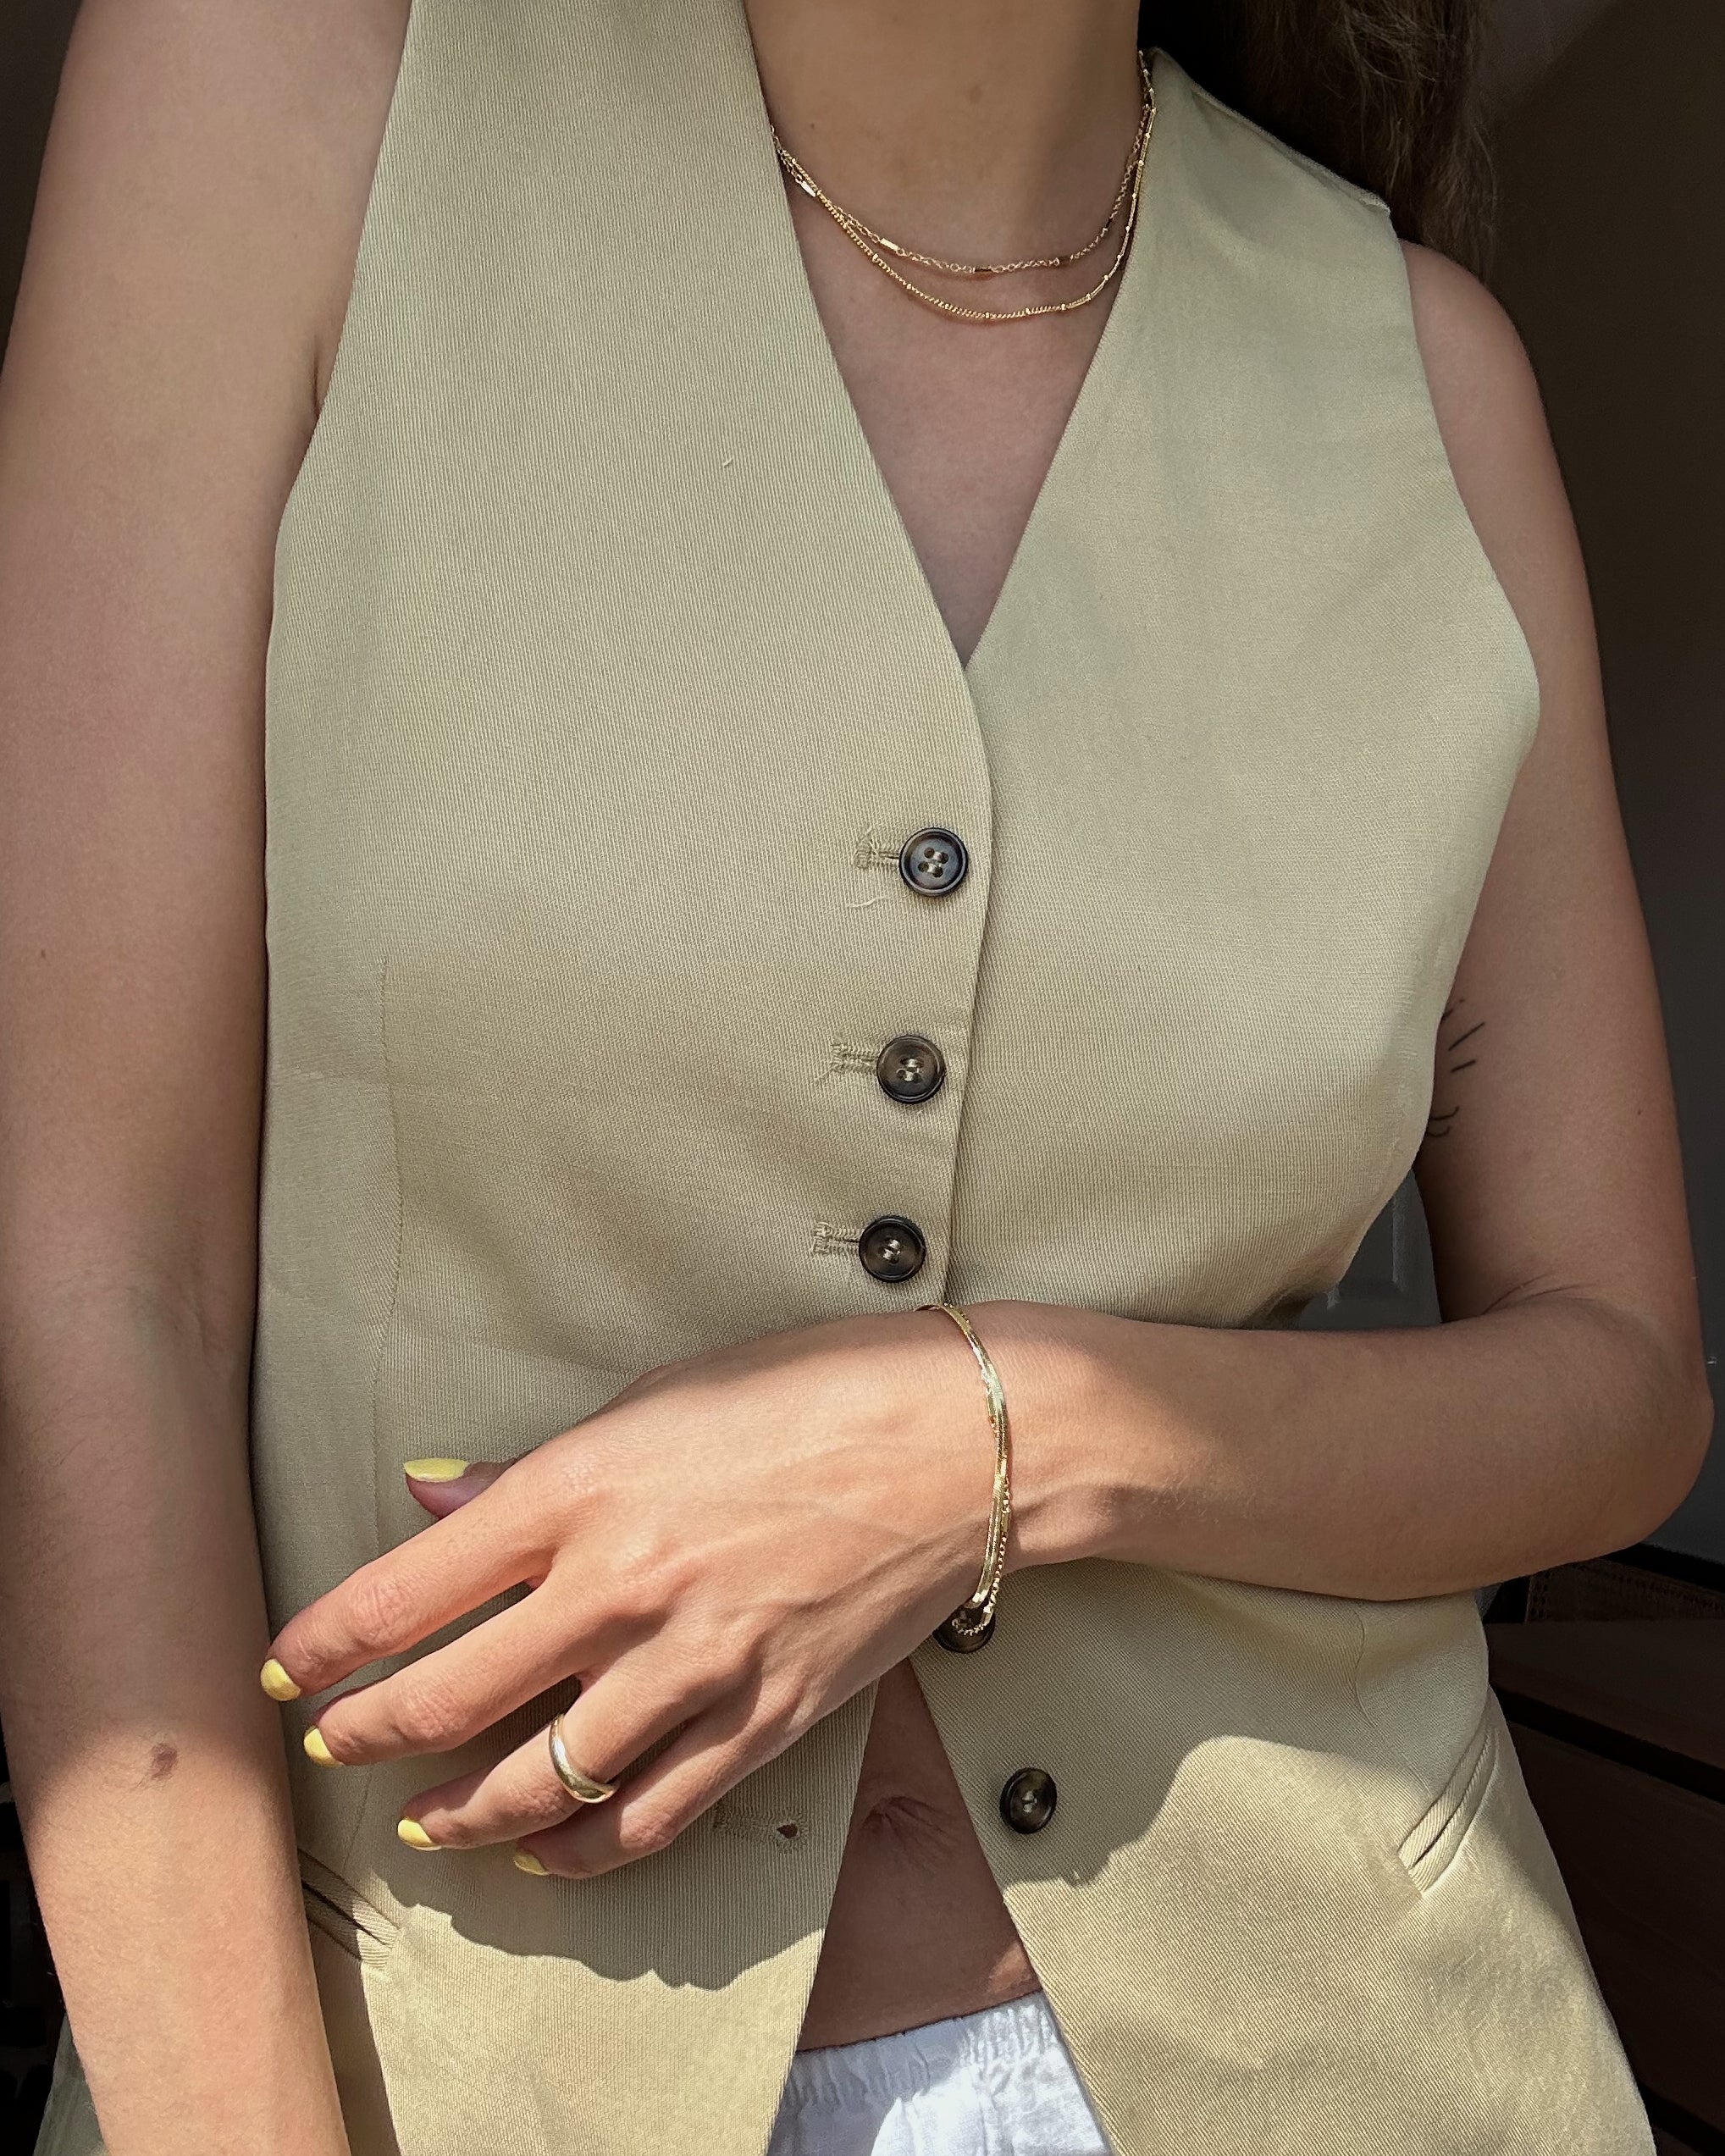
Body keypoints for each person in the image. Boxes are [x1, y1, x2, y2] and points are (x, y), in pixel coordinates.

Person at [0, 0, 1711, 2151]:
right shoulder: (294, 96)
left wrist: (996, 1437)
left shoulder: (1422, 381)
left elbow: (1618, 1379)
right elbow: (98, 1289)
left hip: (1362, 2060)